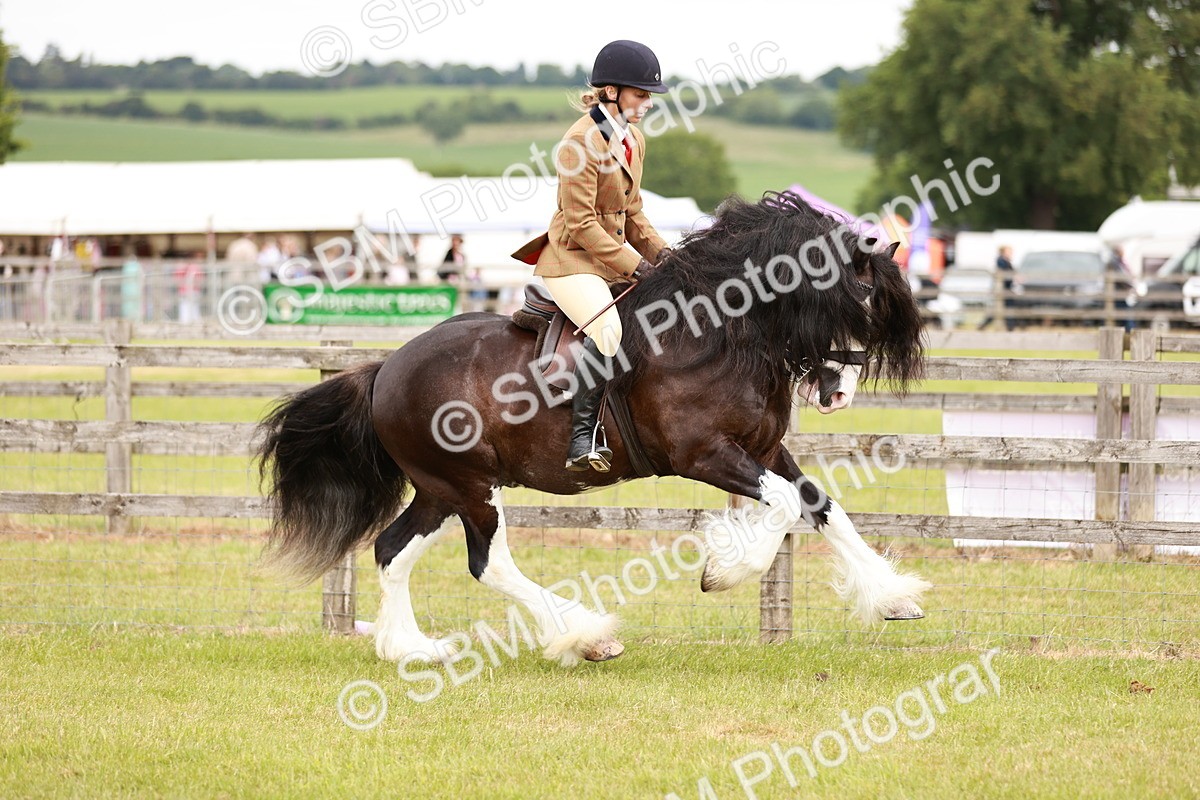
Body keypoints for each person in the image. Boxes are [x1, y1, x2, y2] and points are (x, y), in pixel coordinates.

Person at [511, 40, 672, 472]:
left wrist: (666, 258)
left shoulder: (633, 138)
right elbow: (581, 224)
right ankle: (582, 437)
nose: (648, 104)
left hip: (608, 257)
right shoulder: (578, 142)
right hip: (571, 259)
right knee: (607, 329)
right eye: (642, 95)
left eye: (649, 97)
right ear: (612, 91)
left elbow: (633, 212)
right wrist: (637, 266)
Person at [978, 245, 1016, 331]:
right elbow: (1004, 273)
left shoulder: (1006, 261)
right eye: (1009, 251)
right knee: (1004, 308)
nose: (1011, 253)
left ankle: (984, 324)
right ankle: (1010, 327)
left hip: (1006, 288)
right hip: (1003, 288)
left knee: (1001, 308)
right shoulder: (1002, 261)